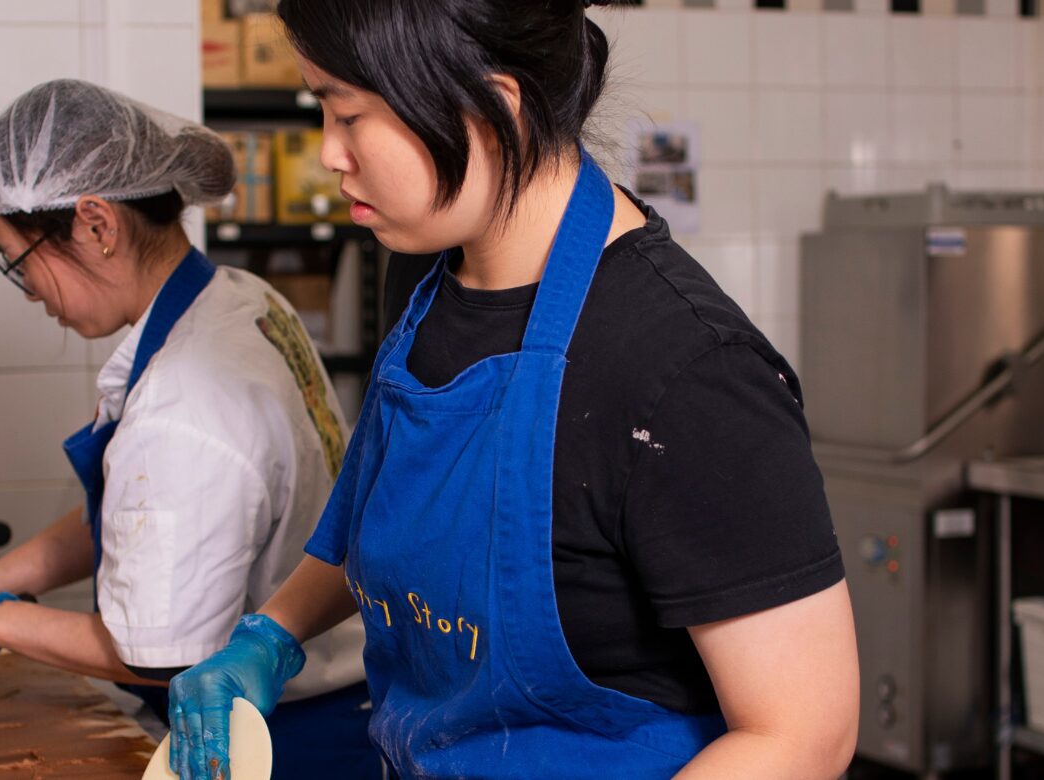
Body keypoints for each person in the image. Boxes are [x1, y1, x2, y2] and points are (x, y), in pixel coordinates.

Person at [169, 1, 860, 778]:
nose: (329, 153)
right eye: (321, 109)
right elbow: (392, 513)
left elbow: (803, 734)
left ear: (493, 108)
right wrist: (272, 635)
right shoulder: (426, 276)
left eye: (350, 114)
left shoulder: (688, 371)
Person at [0, 79, 382, 779]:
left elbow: (162, 657)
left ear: (98, 225)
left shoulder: (182, 404)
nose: (29, 292)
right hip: (339, 700)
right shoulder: (238, 299)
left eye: (19, 263)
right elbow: (145, 517)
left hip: (281, 737)